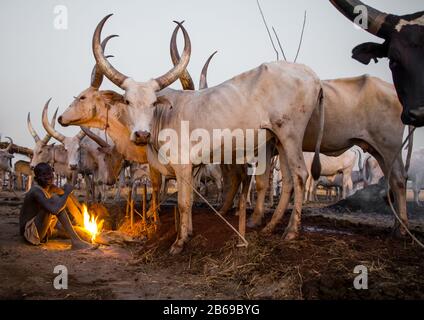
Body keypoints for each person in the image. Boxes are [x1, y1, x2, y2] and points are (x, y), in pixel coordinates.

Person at [19, 162, 95, 250]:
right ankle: (76, 241)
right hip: (29, 233)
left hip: (43, 230)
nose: (48, 177)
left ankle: (77, 238)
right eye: (44, 175)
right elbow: (55, 210)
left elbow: (68, 199)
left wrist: (81, 212)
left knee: (84, 233)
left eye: (50, 174)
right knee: (55, 201)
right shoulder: (35, 191)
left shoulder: (51, 187)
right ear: (36, 178)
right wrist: (66, 193)